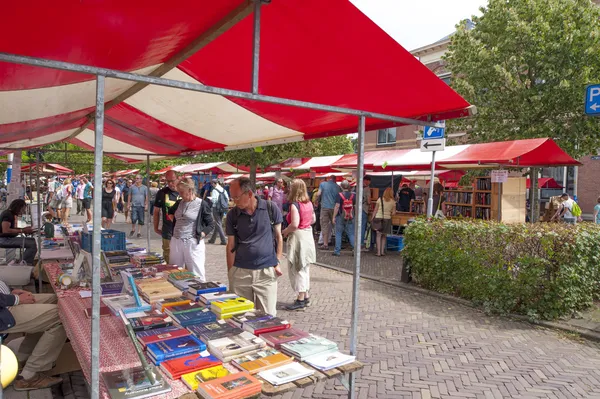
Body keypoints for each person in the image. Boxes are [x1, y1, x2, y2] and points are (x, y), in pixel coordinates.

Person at [226, 177, 283, 316]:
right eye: (232, 197)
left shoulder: (270, 208)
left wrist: (277, 262)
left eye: (237, 197)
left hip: (265, 272)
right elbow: (230, 245)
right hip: (241, 272)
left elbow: (278, 237)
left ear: (249, 194)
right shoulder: (232, 215)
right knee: (240, 317)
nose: (234, 201)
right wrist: (231, 272)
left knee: (268, 317)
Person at [0, 281, 66, 391]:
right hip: (4, 312)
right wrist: (16, 299)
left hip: (5, 302)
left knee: (60, 299)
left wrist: (10, 291)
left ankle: (23, 358)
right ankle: (29, 375)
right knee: (62, 315)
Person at [168, 178, 214, 280]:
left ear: (190, 190)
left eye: (182, 192)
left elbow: (210, 224)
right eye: (179, 192)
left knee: (196, 273)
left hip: (192, 241)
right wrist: (177, 222)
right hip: (176, 240)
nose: (180, 195)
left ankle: (200, 292)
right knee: (174, 271)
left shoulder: (201, 204)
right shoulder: (179, 202)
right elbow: (170, 212)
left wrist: (201, 234)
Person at [282, 179, 316, 311]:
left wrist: (285, 231)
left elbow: (294, 224)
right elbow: (313, 219)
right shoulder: (309, 203)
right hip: (308, 235)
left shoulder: (295, 205)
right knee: (305, 267)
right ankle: (306, 296)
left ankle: (300, 299)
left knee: (298, 268)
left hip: (298, 237)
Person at [154, 171, 180, 264]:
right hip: (167, 230)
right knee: (168, 256)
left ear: (178, 178)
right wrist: (156, 228)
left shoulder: (184, 191)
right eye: (168, 181)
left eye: (172, 181)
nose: (170, 184)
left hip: (183, 232)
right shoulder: (162, 192)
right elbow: (156, 211)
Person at [0, 199, 37, 265]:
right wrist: (22, 230)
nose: (23, 212)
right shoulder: (7, 214)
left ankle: (23, 261)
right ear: (18, 207)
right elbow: (5, 230)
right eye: (22, 209)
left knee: (32, 240)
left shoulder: (10, 214)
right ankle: (25, 264)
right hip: (4, 240)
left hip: (6, 238)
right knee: (32, 244)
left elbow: (11, 229)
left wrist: (23, 229)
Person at [332, 180, 356, 257]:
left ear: (341, 187)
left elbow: (337, 206)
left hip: (340, 216)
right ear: (349, 187)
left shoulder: (339, 195)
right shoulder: (353, 195)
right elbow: (355, 206)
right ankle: (355, 250)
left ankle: (337, 251)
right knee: (351, 233)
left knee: (338, 233)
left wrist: (333, 217)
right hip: (351, 216)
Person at [316, 175, 340, 250]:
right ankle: (338, 244)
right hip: (334, 208)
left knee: (324, 226)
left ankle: (325, 244)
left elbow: (318, 194)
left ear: (329, 179)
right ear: (335, 180)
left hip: (325, 207)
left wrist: (316, 200)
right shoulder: (337, 187)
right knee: (336, 226)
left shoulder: (323, 184)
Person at [371, 188, 396, 257]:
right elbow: (393, 213)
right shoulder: (393, 202)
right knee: (384, 236)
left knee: (378, 235)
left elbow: (375, 210)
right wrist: (389, 213)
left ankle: (378, 252)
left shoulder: (380, 199)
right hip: (387, 219)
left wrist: (372, 218)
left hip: (379, 218)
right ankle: (382, 251)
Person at [209, 179, 229, 245]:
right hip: (223, 208)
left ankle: (223, 240)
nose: (211, 185)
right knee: (218, 223)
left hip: (216, 208)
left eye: (212, 183)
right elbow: (227, 199)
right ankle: (212, 239)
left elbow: (214, 200)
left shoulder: (214, 190)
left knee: (218, 224)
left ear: (214, 183)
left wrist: (211, 199)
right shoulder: (223, 190)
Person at [360, 176, 372, 248]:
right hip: (364, 209)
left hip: (357, 209)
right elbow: (368, 201)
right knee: (362, 226)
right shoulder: (367, 189)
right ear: (367, 181)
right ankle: (361, 242)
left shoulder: (357, 187)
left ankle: (354, 241)